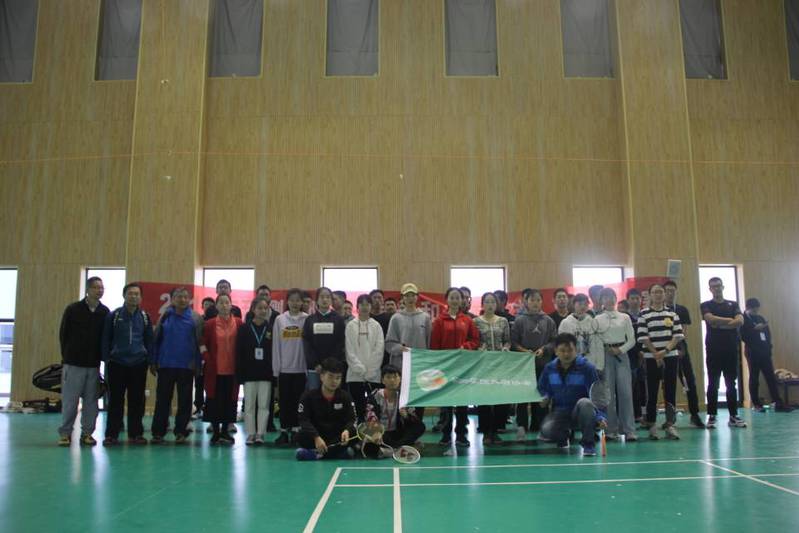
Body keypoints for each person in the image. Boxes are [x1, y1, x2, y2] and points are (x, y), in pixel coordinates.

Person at [57, 276, 110, 446]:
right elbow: (63, 334)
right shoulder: (73, 309)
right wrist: (67, 357)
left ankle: (87, 434)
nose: (99, 290)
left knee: (91, 402)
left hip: (93, 365)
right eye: (96, 287)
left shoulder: (104, 312)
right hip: (73, 364)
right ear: (87, 290)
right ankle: (65, 434)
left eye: (101, 288)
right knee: (70, 401)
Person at [101, 283, 154, 446]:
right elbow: (106, 338)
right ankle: (112, 435)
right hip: (117, 363)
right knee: (115, 400)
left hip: (138, 363)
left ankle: (136, 434)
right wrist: (106, 359)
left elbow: (149, 340)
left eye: (137, 294)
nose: (134, 296)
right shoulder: (114, 315)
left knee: (137, 400)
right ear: (124, 296)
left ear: (141, 297)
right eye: (130, 293)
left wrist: (150, 360)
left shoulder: (145, 317)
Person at [537, 333, 607, 456]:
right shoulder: (549, 368)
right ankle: (564, 435)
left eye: (570, 350)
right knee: (547, 429)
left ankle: (588, 443)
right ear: (556, 351)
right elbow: (542, 389)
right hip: (560, 412)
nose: (566, 354)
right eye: (562, 351)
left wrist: (600, 417)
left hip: (581, 412)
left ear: (576, 350)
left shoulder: (587, 368)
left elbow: (597, 396)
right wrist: (545, 397)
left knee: (585, 403)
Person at [151, 287, 204, 444]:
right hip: (166, 365)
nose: (182, 299)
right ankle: (158, 432)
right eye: (178, 296)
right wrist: (153, 361)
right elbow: (156, 339)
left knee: (185, 401)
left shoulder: (196, 318)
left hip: (186, 366)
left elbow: (200, 344)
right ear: (172, 299)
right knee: (162, 401)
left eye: (185, 297)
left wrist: (198, 365)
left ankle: (181, 431)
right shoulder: (165, 316)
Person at [431, 287, 480, 447]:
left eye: (457, 297)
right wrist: (438, 365)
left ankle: (461, 435)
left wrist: (465, 347)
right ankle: (446, 435)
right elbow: (434, 346)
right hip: (445, 367)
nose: (454, 300)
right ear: (446, 300)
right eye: (452, 297)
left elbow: (475, 340)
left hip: (462, 367)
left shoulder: (467, 320)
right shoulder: (439, 321)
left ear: (462, 300)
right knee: (446, 402)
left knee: (461, 402)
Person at [637, 284, 684, 440]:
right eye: (655, 292)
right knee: (652, 392)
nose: (658, 294)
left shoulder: (672, 314)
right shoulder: (643, 314)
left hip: (670, 357)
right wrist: (656, 354)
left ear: (664, 294)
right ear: (650, 295)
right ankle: (651, 425)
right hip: (651, 358)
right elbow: (643, 337)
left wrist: (665, 352)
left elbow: (677, 336)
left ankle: (670, 425)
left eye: (660, 292)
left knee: (670, 390)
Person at [511, 288, 557, 441]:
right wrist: (524, 351)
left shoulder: (548, 321)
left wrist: (545, 349)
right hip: (524, 366)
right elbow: (513, 342)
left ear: (542, 302)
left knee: (541, 396)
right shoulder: (519, 320)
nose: (535, 303)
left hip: (543, 365)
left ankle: (541, 427)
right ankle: (521, 427)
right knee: (523, 396)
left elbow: (554, 341)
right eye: (532, 300)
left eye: (538, 300)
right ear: (526, 302)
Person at [701, 277, 746, 429]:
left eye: (719, 286)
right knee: (713, 383)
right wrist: (731, 322)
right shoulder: (706, 305)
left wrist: (720, 325)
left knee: (731, 383)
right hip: (713, 350)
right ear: (710, 289)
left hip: (731, 349)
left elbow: (740, 321)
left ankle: (733, 416)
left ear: (723, 287)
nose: (717, 288)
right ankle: (712, 415)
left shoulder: (733, 304)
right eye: (713, 286)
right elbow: (710, 319)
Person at [594, 288, 637, 441]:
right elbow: (596, 340)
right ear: (601, 300)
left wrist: (620, 350)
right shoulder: (597, 319)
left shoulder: (625, 317)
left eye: (612, 296)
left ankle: (629, 430)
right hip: (605, 356)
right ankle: (610, 430)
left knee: (626, 392)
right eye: (606, 297)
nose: (610, 299)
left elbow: (632, 340)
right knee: (608, 394)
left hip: (622, 355)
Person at [385, 283, 432, 421]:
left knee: (419, 398)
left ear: (417, 297)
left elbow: (429, 343)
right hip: (401, 366)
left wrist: (427, 362)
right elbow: (389, 343)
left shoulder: (425, 317)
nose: (410, 298)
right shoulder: (396, 318)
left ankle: (416, 428)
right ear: (402, 298)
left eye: (413, 295)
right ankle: (400, 429)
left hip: (420, 366)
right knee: (401, 398)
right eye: (407, 296)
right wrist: (400, 348)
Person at [295, 358, 357, 461]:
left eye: (338, 378)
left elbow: (352, 419)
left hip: (337, 436)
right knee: (300, 436)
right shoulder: (308, 396)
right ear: (322, 376)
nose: (334, 381)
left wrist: (347, 430)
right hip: (317, 435)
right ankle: (338, 453)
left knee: (354, 434)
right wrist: (316, 437)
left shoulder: (345, 397)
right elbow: (303, 420)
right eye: (330, 377)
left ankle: (317, 454)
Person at [200, 293, 242, 445]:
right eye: (221, 303)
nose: (224, 305)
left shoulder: (239, 323)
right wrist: (207, 358)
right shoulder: (209, 324)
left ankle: (225, 431)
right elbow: (202, 344)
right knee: (214, 401)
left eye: (227, 302)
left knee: (229, 402)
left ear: (231, 305)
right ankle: (216, 432)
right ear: (216, 306)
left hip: (232, 371)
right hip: (215, 371)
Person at [236, 297, 278, 445]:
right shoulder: (244, 328)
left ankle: (260, 433)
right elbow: (239, 352)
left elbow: (275, 352)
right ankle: (250, 433)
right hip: (249, 372)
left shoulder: (271, 328)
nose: (263, 311)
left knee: (264, 405)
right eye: (259, 308)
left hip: (266, 372)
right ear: (253, 309)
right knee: (249, 405)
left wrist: (274, 374)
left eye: (265, 308)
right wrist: (240, 373)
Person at [663, 280, 705, 428]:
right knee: (668, 385)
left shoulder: (682, 310)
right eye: (667, 291)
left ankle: (694, 414)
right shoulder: (660, 311)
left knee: (689, 382)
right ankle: (670, 419)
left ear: (676, 292)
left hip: (681, 350)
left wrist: (680, 348)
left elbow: (683, 332)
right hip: (664, 351)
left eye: (672, 291)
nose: (670, 293)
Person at [741, 298, 792, 412]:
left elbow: (767, 333)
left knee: (770, 377)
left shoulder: (760, 318)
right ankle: (756, 404)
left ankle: (778, 402)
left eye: (757, 309)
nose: (756, 312)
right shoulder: (743, 319)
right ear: (748, 308)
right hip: (752, 352)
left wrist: (769, 347)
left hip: (764, 351)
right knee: (754, 378)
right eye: (754, 310)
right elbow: (742, 336)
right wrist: (754, 329)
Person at [272, 288, 309, 445]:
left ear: (302, 302)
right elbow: (276, 345)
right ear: (287, 302)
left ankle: (295, 430)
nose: (295, 303)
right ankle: (283, 431)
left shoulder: (307, 319)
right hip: (284, 369)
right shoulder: (280, 320)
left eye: (298, 300)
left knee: (298, 402)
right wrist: (276, 369)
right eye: (292, 300)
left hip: (301, 369)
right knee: (284, 402)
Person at [474, 292, 511, 444]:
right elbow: (473, 341)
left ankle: (496, 430)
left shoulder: (503, 321)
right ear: (482, 304)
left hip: (500, 365)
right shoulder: (476, 321)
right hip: (483, 366)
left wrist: (506, 348)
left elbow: (508, 341)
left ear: (497, 305)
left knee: (500, 398)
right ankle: (486, 432)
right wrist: (478, 348)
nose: (490, 305)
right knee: (484, 399)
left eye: (493, 302)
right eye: (487, 302)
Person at [364, 365, 426, 454]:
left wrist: (406, 416)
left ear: (400, 379)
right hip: (381, 433)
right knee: (369, 438)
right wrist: (376, 430)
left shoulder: (404, 397)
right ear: (382, 380)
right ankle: (401, 449)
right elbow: (370, 415)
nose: (392, 380)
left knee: (420, 426)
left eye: (395, 377)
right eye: (388, 377)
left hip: (398, 433)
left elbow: (414, 419)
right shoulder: (375, 395)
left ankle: (392, 450)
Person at [345, 294, 385, 422]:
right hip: (354, 374)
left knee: (374, 406)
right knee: (358, 405)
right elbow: (349, 350)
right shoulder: (351, 325)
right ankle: (359, 430)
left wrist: (371, 370)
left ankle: (374, 432)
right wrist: (360, 369)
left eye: (367, 304)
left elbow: (379, 349)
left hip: (373, 374)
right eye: (362, 304)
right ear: (357, 307)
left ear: (371, 307)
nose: (364, 307)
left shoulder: (376, 326)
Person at [303, 287, 346, 391]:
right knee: (314, 394)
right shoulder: (310, 319)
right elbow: (307, 343)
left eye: (327, 297)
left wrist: (330, 364)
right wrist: (315, 364)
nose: (325, 300)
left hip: (332, 367)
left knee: (332, 394)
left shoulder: (338, 319)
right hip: (314, 368)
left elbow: (340, 343)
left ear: (331, 300)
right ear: (317, 300)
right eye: (322, 297)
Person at [558, 294, 603, 374]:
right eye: (580, 304)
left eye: (585, 304)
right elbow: (561, 346)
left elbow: (598, 345)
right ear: (573, 304)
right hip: (571, 364)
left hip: (590, 363)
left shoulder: (593, 322)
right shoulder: (565, 323)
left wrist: (599, 366)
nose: (583, 307)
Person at [625, 288, 646, 423]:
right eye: (632, 298)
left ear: (641, 300)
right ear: (628, 300)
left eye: (637, 298)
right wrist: (637, 351)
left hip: (647, 354)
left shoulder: (645, 315)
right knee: (632, 385)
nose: (635, 301)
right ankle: (634, 414)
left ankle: (645, 413)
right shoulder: (624, 317)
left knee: (644, 385)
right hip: (630, 356)